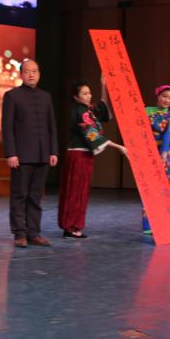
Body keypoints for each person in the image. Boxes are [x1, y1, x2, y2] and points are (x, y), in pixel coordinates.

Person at [57, 79, 125, 239]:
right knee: (75, 191)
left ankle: (73, 226)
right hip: (78, 155)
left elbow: (102, 108)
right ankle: (70, 226)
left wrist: (103, 86)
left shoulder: (88, 110)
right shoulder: (80, 112)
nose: (88, 96)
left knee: (81, 191)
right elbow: (93, 135)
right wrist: (118, 147)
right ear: (76, 97)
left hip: (84, 155)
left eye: (89, 93)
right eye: (84, 94)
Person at [2, 59, 58, 247]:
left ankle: (34, 232)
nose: (31, 74)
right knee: (19, 195)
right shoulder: (12, 96)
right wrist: (11, 153)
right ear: (21, 74)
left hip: (43, 154)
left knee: (35, 196)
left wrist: (53, 151)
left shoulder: (46, 97)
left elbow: (51, 126)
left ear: (39, 73)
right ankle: (20, 233)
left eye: (34, 71)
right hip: (21, 155)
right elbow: (7, 127)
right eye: (27, 71)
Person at [142, 85, 170, 234]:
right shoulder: (146, 111)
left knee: (161, 189)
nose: (167, 100)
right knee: (147, 188)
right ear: (158, 96)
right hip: (146, 152)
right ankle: (147, 225)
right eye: (164, 96)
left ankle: (160, 222)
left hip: (163, 154)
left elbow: (168, 136)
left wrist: (164, 154)